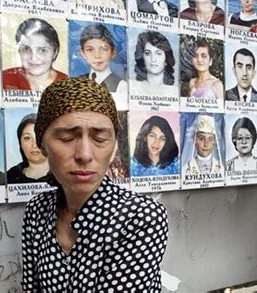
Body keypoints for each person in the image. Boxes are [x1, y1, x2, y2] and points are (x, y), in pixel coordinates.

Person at [21, 77, 168, 291]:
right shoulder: (38, 211)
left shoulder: (140, 217)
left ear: (115, 146)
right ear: (42, 144)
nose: (85, 155)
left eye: (99, 139)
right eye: (66, 138)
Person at [3, 18, 67, 91]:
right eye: (26, 49)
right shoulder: (3, 78)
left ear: (55, 52)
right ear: (19, 50)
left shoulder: (68, 83)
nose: (34, 58)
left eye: (42, 50)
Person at [78, 23, 126, 95]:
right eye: (90, 50)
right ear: (83, 53)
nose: (97, 56)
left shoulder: (121, 85)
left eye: (103, 49)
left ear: (113, 53)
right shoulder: (79, 82)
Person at [7, 114, 49, 184]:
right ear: (20, 143)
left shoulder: (63, 174)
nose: (34, 145)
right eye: (27, 138)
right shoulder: (9, 177)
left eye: (39, 136)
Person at [131, 31, 176, 96]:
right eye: (147, 53)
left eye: (158, 53)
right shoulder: (133, 88)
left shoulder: (174, 91)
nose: (153, 59)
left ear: (166, 58)